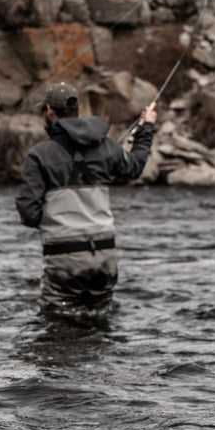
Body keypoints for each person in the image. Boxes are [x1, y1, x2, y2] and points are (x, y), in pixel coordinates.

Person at [15, 82, 156, 313]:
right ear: (77, 110)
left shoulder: (39, 155)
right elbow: (135, 166)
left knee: (57, 325)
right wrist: (147, 127)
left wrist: (56, 218)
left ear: (49, 111)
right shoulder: (107, 147)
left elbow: (29, 214)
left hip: (63, 257)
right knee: (99, 322)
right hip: (105, 255)